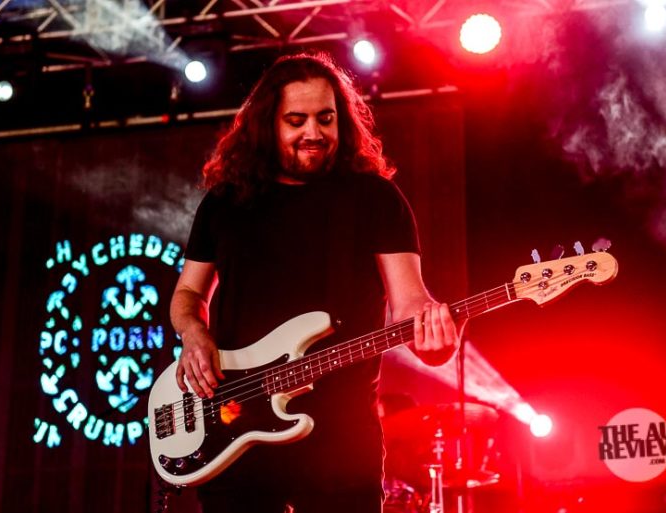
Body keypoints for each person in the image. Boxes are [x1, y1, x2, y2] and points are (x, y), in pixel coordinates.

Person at [170, 51, 462, 513]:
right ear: (267, 125)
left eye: (326, 119)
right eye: (296, 121)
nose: (314, 133)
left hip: (341, 437)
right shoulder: (226, 202)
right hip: (234, 420)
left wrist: (435, 337)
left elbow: (410, 303)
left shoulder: (376, 198)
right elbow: (188, 293)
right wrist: (193, 332)